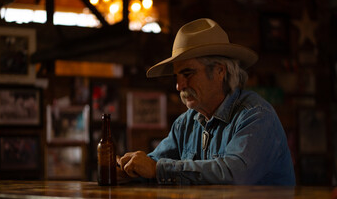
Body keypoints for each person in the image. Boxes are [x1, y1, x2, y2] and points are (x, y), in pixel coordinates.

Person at [118, 18, 296, 185]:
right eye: (177, 77)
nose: (179, 86)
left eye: (188, 74)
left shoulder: (256, 115)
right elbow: (151, 164)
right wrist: (128, 170)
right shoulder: (185, 124)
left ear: (219, 71)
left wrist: (159, 170)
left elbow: (235, 174)